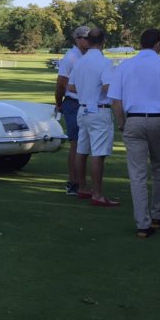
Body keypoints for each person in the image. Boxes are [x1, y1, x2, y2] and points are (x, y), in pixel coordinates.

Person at [109, 28, 160, 238]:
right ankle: (158, 215)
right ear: (158, 44)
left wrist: (122, 123)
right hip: (159, 119)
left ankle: (143, 223)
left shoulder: (125, 66)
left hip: (134, 119)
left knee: (137, 174)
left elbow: (116, 101)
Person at [67, 27, 118, 206]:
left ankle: (82, 188)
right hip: (99, 108)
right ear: (103, 41)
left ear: (87, 41)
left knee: (82, 149)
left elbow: (71, 87)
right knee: (98, 152)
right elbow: (108, 87)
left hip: (82, 108)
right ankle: (97, 193)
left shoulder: (80, 62)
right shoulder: (104, 63)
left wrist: (86, 88)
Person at [55, 25, 91, 195]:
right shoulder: (71, 57)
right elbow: (61, 83)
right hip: (74, 103)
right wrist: (59, 102)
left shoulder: (87, 55)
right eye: (85, 37)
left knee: (84, 144)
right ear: (77, 39)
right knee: (76, 144)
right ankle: (73, 182)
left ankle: (80, 181)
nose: (88, 40)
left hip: (86, 103)